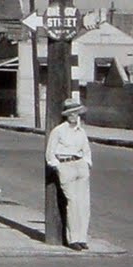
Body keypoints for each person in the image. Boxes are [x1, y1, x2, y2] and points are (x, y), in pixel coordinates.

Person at [45, 95, 93, 251]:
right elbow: (50, 153)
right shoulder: (58, 131)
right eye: (70, 113)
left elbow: (86, 150)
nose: (73, 116)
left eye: (76, 112)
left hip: (80, 166)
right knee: (72, 203)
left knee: (84, 204)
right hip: (66, 165)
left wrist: (86, 164)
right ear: (66, 115)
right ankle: (73, 239)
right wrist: (58, 166)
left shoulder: (81, 132)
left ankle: (83, 238)